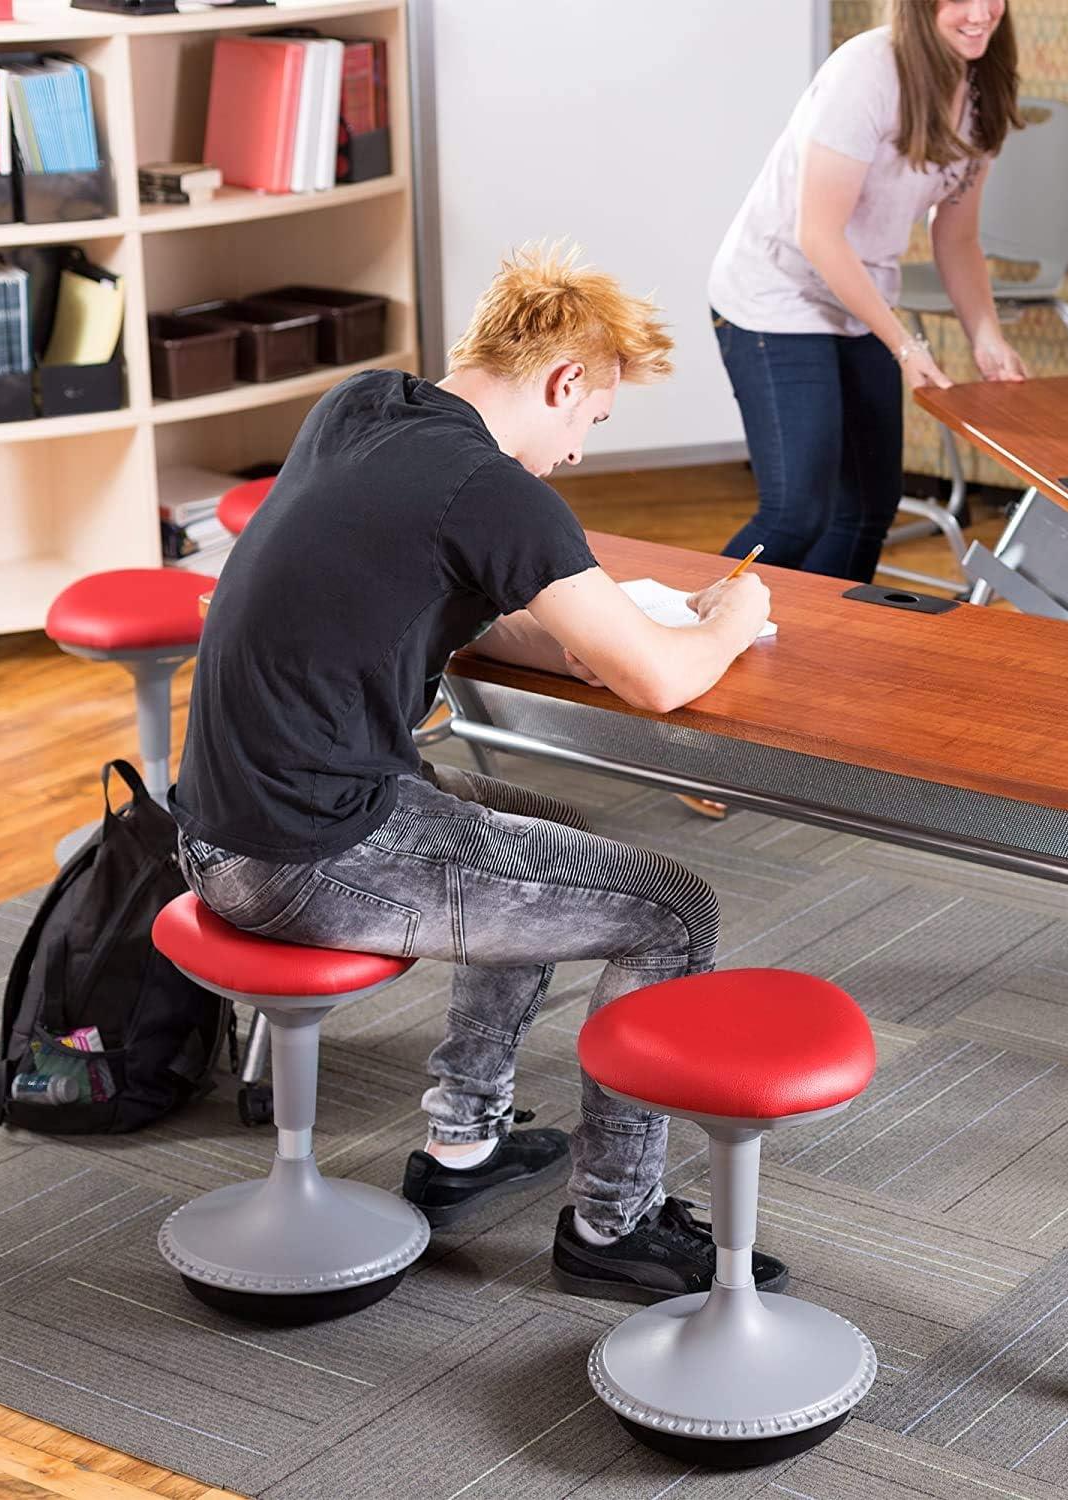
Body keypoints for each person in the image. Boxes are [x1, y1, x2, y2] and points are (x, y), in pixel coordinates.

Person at [171, 244, 786, 1303]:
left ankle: (462, 1150)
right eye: (593, 420)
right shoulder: (494, 492)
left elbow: (451, 606)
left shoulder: (364, 409)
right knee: (673, 909)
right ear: (563, 383)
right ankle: (615, 1223)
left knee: (546, 826)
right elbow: (662, 682)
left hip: (222, 822)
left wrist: (588, 636)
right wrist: (734, 619)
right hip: (308, 855)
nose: (582, 453)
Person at [707, 0, 1029, 585]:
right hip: (776, 294)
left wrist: (987, 333)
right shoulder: (868, 73)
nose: (980, 13)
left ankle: (818, 653)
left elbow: (956, 237)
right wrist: (906, 346)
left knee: (866, 509)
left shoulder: (983, 85)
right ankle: (676, 634)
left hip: (861, 296)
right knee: (796, 513)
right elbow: (818, 234)